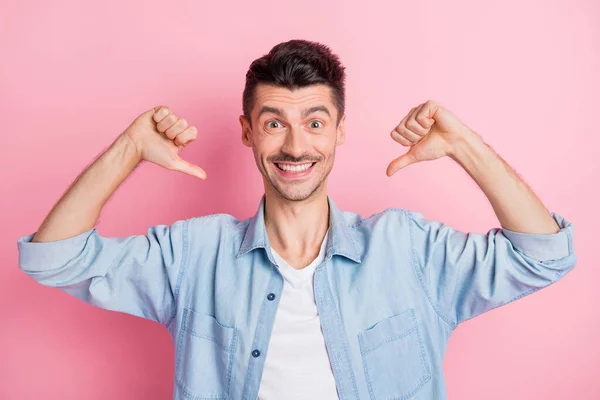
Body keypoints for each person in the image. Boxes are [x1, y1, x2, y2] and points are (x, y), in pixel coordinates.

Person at [17, 39, 577, 400]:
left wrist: (465, 146)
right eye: (274, 123)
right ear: (247, 131)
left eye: (314, 122)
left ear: (338, 131)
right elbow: (55, 258)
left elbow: (543, 256)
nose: (294, 145)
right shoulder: (194, 255)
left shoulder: (405, 249)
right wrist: (129, 148)